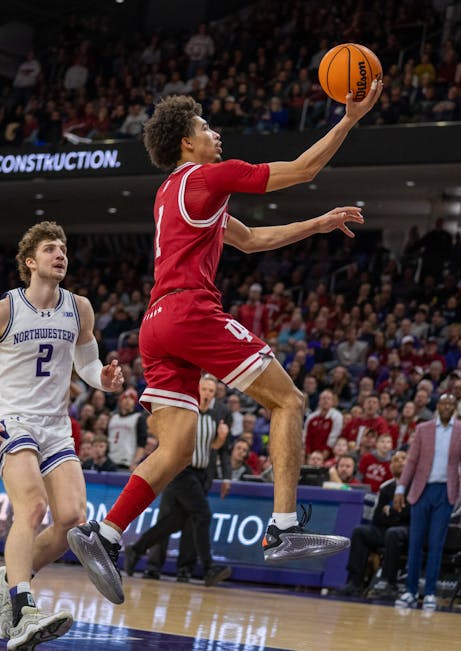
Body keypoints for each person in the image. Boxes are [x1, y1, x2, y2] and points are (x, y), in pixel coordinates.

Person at [66, 80, 384, 605]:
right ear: (187, 142)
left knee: (173, 450)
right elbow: (303, 170)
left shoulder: (171, 193)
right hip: (192, 311)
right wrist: (349, 119)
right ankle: (282, 528)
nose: (216, 134)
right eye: (206, 128)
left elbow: (252, 239)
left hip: (155, 323)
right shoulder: (211, 176)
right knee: (290, 401)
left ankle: (104, 534)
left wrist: (319, 224)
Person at [0, 222, 123, 648]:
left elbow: (88, 363)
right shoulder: (2, 310)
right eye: (51, 249)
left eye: (64, 249)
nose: (60, 254)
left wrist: (103, 379)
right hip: (12, 419)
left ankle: (14, 577)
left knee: (72, 519)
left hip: (55, 424)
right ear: (30, 262)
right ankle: (21, 607)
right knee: (31, 507)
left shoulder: (79, 308)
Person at [122, 375, 232, 585]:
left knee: (176, 520)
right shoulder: (185, 411)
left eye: (211, 390)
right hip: (181, 471)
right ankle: (208, 568)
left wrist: (221, 439)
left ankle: (136, 550)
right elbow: (158, 429)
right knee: (202, 514)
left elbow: (216, 448)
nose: (207, 393)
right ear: (196, 389)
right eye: (204, 389)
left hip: (200, 475)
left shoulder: (218, 415)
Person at [393, 393, 461, 611]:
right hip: (421, 489)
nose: (446, 407)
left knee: (437, 544)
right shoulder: (423, 429)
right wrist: (401, 487)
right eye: (443, 403)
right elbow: (411, 461)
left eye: (451, 404)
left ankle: (429, 593)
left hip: (445, 492)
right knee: (415, 542)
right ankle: (410, 591)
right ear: (438, 406)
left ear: (455, 408)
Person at [336, 449, 409, 597]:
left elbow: (410, 515)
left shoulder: (416, 486)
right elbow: (377, 518)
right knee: (360, 531)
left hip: (407, 530)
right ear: (390, 466)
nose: (400, 462)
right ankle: (354, 582)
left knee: (393, 533)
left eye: (403, 458)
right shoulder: (385, 487)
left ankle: (388, 583)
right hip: (385, 530)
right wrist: (395, 514)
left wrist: (391, 512)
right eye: (395, 460)